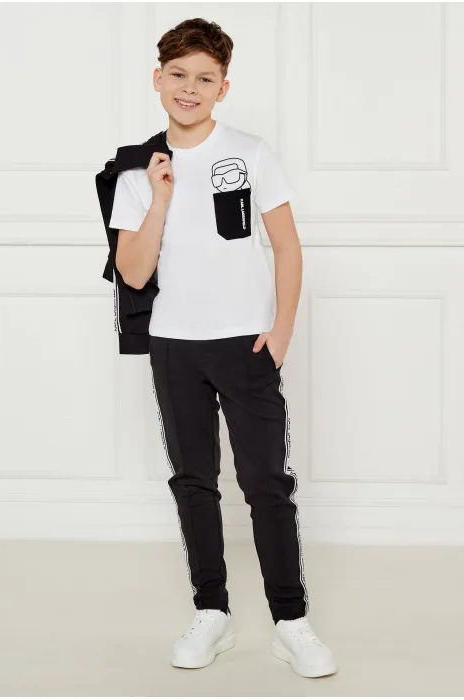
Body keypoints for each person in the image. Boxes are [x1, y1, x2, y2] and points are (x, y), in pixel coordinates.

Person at [109, 17, 338, 679]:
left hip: (246, 343)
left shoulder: (252, 153)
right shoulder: (136, 172)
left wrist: (281, 329)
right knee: (194, 482)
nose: (190, 88)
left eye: (204, 78)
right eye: (178, 75)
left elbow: (286, 246)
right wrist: (159, 199)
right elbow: (134, 273)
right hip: (174, 346)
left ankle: (291, 621)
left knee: (267, 482)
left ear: (223, 88)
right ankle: (212, 611)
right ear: (158, 80)